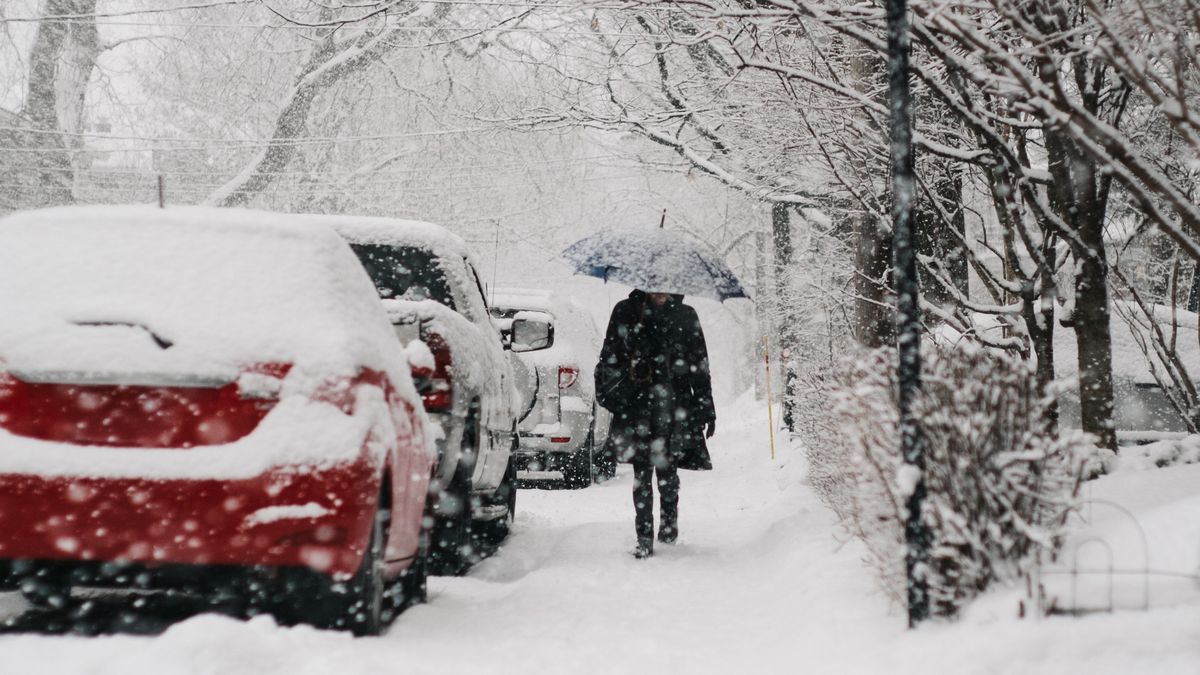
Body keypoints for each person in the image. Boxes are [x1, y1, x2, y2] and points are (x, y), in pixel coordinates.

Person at [594, 289, 716, 559]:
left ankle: (669, 525)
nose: (659, 291)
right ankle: (644, 536)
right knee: (642, 472)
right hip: (637, 404)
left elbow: (699, 364)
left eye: (665, 286)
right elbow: (609, 356)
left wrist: (707, 408)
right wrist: (630, 360)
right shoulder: (626, 310)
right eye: (654, 286)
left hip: (675, 406)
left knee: (668, 470)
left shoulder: (685, 316)